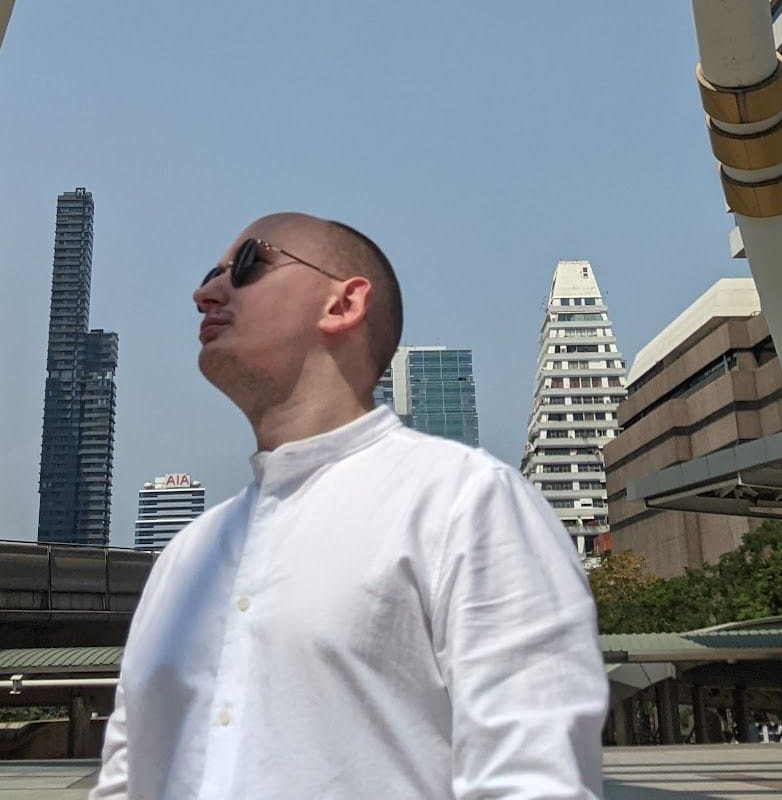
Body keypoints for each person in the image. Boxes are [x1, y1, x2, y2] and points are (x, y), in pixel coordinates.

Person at [93, 212, 607, 800]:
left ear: (343, 304)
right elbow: (124, 780)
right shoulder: (185, 556)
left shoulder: (465, 502)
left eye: (248, 264)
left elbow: (533, 780)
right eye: (211, 274)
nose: (205, 293)